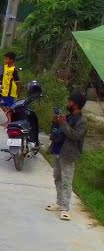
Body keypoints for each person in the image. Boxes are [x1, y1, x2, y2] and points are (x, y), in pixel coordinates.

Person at [46, 93, 88, 221]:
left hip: (68, 154)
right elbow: (59, 131)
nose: (68, 103)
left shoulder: (82, 121)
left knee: (66, 181)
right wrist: (56, 122)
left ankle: (65, 208)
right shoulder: (69, 117)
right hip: (58, 150)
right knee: (57, 177)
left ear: (76, 104)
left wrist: (63, 123)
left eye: (70, 101)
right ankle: (59, 203)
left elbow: (75, 136)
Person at [0, 51, 20, 121]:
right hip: (4, 89)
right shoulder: (5, 66)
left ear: (11, 60)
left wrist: (18, 91)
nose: (5, 60)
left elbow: (17, 82)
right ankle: (9, 119)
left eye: (6, 59)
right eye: (5, 59)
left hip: (10, 91)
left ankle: (11, 120)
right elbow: (4, 77)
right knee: (2, 104)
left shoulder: (13, 70)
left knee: (10, 106)